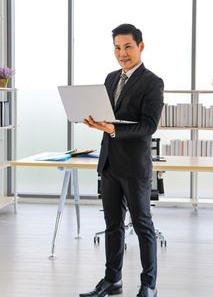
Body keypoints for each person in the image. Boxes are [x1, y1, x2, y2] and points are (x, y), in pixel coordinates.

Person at [80, 24, 164, 297]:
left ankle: (148, 285)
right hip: (109, 164)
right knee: (113, 225)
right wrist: (96, 123)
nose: (122, 53)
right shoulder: (110, 78)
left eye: (127, 46)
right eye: (117, 47)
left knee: (142, 225)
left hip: (134, 166)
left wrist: (114, 129)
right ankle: (112, 281)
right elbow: (108, 116)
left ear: (140, 46)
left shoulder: (153, 82)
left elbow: (148, 126)